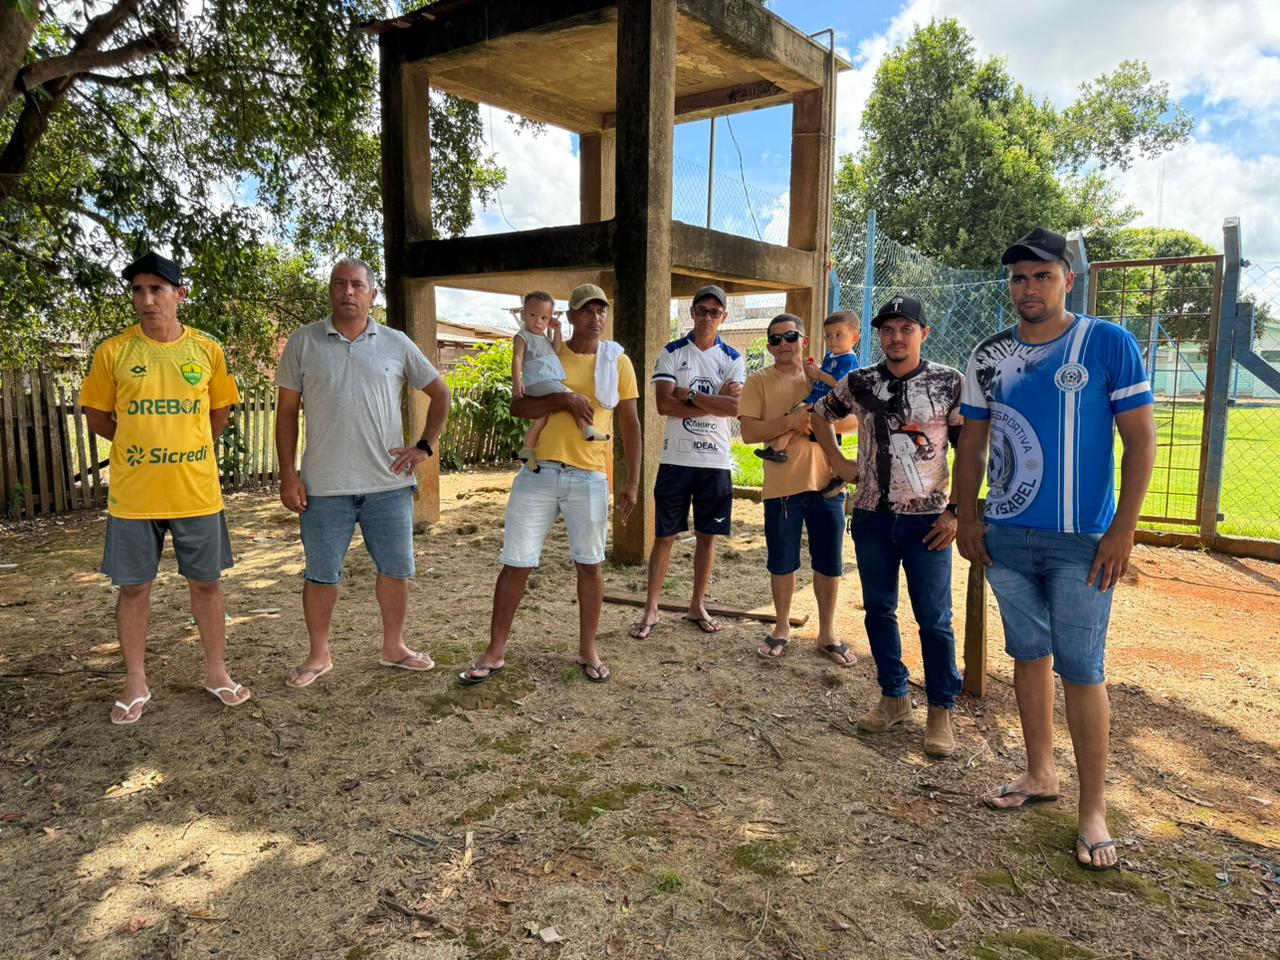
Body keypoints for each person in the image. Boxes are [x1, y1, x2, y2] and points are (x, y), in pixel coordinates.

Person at [953, 227, 1156, 870]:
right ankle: (1040, 772)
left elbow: (1141, 440)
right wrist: (966, 515)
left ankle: (1093, 810)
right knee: (1028, 654)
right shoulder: (988, 355)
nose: (1029, 288)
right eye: (1019, 277)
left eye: (1043, 275)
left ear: (1068, 279)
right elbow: (973, 444)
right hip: (1006, 538)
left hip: (1082, 542)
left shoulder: (1107, 343)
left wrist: (1122, 529)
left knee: (1082, 669)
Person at [81, 251, 249, 724]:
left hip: (196, 491)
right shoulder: (113, 352)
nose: (147, 299)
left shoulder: (207, 349)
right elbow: (97, 416)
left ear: (180, 294)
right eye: (138, 290)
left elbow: (219, 411)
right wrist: (140, 443)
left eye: (157, 289)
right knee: (134, 588)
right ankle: (136, 681)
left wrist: (187, 447)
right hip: (134, 496)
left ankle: (217, 673)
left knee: (207, 584)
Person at [275, 257, 451, 688]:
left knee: (396, 570)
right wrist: (288, 474)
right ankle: (318, 655)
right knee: (321, 574)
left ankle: (394, 647)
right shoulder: (303, 342)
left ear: (373, 294)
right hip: (323, 487)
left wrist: (424, 446)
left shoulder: (396, 343)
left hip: (388, 484)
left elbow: (440, 393)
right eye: (339, 283)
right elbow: (286, 413)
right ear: (330, 291)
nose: (347, 291)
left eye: (357, 284)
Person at [810, 295, 966, 757]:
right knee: (879, 611)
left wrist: (956, 511)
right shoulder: (860, 381)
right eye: (888, 330)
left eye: (906, 329)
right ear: (878, 335)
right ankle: (894, 696)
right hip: (873, 517)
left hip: (929, 521)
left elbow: (970, 447)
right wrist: (839, 462)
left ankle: (940, 709)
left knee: (934, 619)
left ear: (924, 334)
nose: (896, 337)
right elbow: (819, 414)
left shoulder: (948, 382)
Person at [463, 283, 641, 685]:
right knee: (516, 563)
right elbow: (519, 405)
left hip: (589, 475)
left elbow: (630, 423)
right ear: (570, 315)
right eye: (587, 310)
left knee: (590, 565)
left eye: (601, 310)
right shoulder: (546, 348)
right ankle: (495, 651)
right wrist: (563, 400)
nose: (596, 317)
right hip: (539, 473)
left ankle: (588, 648)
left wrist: (632, 482)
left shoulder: (617, 362)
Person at [737, 314, 855, 666]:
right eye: (775, 339)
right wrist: (790, 422)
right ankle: (781, 626)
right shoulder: (758, 380)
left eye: (790, 336)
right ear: (769, 346)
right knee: (782, 562)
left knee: (829, 563)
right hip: (781, 487)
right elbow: (749, 433)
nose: (783, 344)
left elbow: (854, 420)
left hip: (827, 486)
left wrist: (814, 424)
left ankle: (827, 633)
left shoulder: (827, 375)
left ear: (804, 340)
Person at [629, 284, 745, 638]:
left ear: (723, 317)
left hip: (715, 463)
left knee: (708, 537)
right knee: (665, 536)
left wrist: (690, 394)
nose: (707, 317)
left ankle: (697, 605)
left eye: (715, 312)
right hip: (676, 459)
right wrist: (714, 401)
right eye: (702, 310)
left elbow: (735, 408)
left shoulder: (733, 357)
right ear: (692, 312)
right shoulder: (672, 352)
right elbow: (664, 404)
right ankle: (651, 609)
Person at [512, 290, 607, 472]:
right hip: (539, 381)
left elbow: (556, 350)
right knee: (574, 399)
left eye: (544, 318)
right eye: (533, 315)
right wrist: (517, 381)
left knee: (540, 420)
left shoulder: (542, 336)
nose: (538, 322)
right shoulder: (522, 336)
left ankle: (527, 450)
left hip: (545, 380)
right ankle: (587, 429)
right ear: (523, 314)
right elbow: (517, 358)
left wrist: (557, 330)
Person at [755, 310, 859, 465]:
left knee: (795, 416)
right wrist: (814, 370)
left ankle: (777, 449)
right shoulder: (831, 355)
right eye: (828, 336)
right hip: (818, 398)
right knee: (801, 424)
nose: (832, 340)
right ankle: (780, 449)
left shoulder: (849, 360)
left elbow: (841, 385)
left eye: (838, 335)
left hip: (827, 403)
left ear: (855, 338)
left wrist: (819, 374)